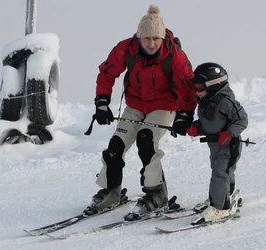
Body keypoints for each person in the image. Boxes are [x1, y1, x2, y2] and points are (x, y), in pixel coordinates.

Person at [86, 5, 196, 219]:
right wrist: (101, 103)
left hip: (164, 105)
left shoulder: (175, 56)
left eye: (156, 38)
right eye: (146, 39)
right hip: (136, 104)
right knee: (116, 146)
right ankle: (111, 190)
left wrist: (185, 115)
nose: (151, 43)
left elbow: (187, 88)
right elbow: (106, 73)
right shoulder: (126, 49)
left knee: (146, 140)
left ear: (162, 37)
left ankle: (156, 193)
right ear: (138, 37)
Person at [185, 62, 248, 224]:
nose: (196, 91)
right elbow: (207, 122)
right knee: (223, 171)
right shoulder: (206, 101)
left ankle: (220, 208)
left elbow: (242, 119)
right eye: (195, 86)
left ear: (213, 84)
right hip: (215, 145)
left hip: (229, 145)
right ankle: (227, 195)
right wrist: (196, 128)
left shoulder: (225, 102)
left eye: (199, 86)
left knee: (220, 174)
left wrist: (229, 133)